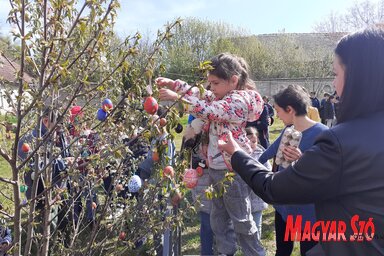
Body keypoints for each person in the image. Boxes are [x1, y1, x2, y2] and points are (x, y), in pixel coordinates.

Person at [218, 28, 384, 256]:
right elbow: (270, 154)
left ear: (357, 76)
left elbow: (273, 187)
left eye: (335, 74)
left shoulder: (335, 140)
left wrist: (237, 154)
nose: (334, 85)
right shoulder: (295, 132)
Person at [156, 53, 265, 256]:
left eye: (214, 83)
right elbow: (199, 94)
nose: (211, 88)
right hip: (216, 168)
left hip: (233, 170)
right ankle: (226, 251)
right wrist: (174, 84)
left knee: (241, 220)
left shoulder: (238, 101)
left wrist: (178, 100)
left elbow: (210, 111)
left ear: (233, 80)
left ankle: (255, 252)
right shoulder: (221, 94)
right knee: (218, 219)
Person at [256, 85, 328, 256]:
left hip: (308, 211)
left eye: (278, 111)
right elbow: (268, 153)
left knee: (309, 251)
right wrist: (242, 163)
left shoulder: (324, 134)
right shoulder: (288, 130)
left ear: (290, 109)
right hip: (284, 206)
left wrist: (302, 159)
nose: (277, 116)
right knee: (282, 251)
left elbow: (328, 174)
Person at [245, 126, 270, 240]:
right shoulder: (238, 155)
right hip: (242, 197)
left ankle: (257, 243)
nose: (251, 144)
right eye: (248, 141)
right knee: (243, 225)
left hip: (256, 196)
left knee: (256, 223)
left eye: (254, 141)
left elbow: (268, 171)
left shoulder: (261, 154)